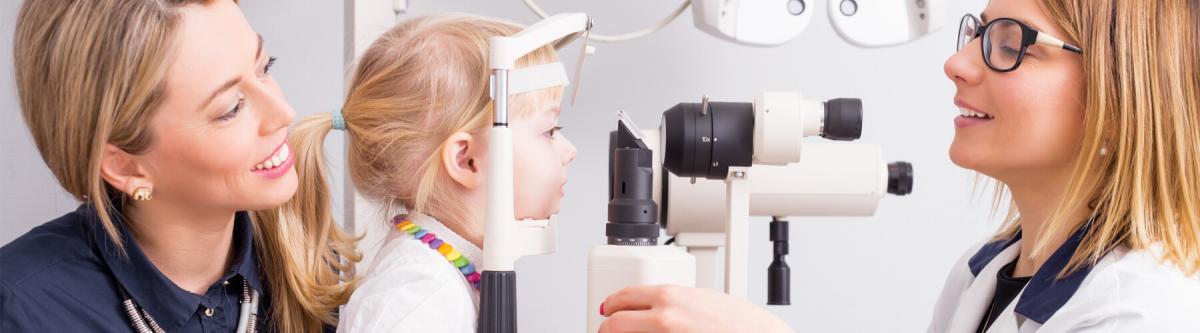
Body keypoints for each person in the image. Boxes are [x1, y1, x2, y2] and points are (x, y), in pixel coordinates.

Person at [598, 0, 1200, 331]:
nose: (958, 63)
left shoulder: (1146, 312)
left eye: (1011, 42)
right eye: (977, 32)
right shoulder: (982, 274)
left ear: (1122, 92)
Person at [1, 1, 358, 332]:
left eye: (265, 67)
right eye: (231, 108)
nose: (283, 113)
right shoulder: (23, 311)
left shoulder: (315, 265)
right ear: (125, 166)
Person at [301, 14, 577, 332]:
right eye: (550, 130)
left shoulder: (447, 274)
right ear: (467, 160)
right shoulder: (418, 296)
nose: (570, 151)